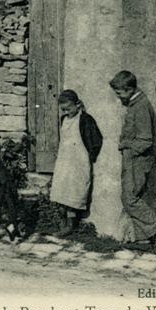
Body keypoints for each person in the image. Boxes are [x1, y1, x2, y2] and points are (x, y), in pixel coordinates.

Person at [110, 70, 156, 254]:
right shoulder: (135, 104)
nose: (118, 98)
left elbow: (145, 140)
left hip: (137, 160)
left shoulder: (141, 107)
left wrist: (127, 147)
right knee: (137, 196)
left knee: (129, 198)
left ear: (128, 90)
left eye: (120, 93)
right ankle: (144, 240)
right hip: (133, 159)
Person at [50, 89, 103, 236]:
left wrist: (91, 156)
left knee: (73, 193)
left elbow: (96, 140)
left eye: (68, 108)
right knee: (61, 191)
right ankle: (63, 222)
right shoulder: (63, 120)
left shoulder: (85, 120)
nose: (66, 112)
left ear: (77, 104)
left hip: (78, 162)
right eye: (63, 110)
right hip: (64, 161)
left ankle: (70, 225)